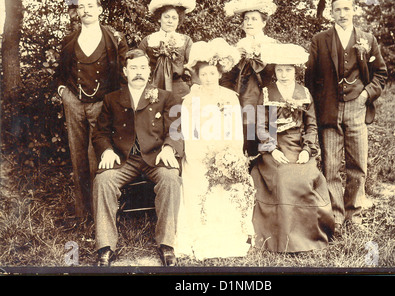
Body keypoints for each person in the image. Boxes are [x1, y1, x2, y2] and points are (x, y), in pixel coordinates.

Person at [305, 0, 387, 236]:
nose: (342, 13)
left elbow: (380, 75)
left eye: (346, 9)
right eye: (337, 9)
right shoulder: (320, 40)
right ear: (331, 12)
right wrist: (319, 105)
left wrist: (365, 96)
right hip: (329, 109)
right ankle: (336, 216)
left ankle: (354, 213)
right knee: (331, 166)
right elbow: (310, 78)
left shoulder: (367, 39)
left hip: (356, 107)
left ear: (354, 10)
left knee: (358, 164)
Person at [91, 49, 183, 267]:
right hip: (124, 159)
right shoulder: (112, 99)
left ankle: (166, 244)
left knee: (171, 178)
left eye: (142, 67)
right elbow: (100, 132)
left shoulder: (166, 97)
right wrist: (107, 151)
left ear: (149, 70)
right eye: (133, 68)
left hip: (156, 156)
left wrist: (169, 148)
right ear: (125, 71)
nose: (138, 72)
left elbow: (177, 130)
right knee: (103, 181)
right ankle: (105, 247)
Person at [175, 38, 255, 260]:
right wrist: (203, 155)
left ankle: (229, 234)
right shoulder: (190, 100)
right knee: (197, 177)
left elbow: (235, 131)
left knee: (234, 179)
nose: (208, 78)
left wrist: (229, 156)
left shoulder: (229, 97)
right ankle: (199, 234)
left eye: (212, 73)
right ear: (198, 76)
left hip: (224, 151)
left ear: (220, 74)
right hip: (198, 153)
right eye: (204, 74)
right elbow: (188, 133)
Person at [251, 43, 334, 253]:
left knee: (305, 177)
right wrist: (271, 149)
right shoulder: (267, 92)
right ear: (274, 71)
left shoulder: (304, 93)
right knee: (282, 178)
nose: (284, 74)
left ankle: (309, 236)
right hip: (275, 146)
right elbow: (261, 126)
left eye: (288, 69)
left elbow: (311, 125)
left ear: (295, 70)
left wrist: (307, 148)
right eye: (279, 69)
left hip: (298, 145)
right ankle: (280, 239)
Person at [53, 0, 128, 221]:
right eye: (81, 6)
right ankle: (82, 213)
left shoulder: (114, 38)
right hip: (74, 103)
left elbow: (125, 72)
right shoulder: (69, 40)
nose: (85, 10)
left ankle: (103, 215)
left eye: (90, 6)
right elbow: (59, 74)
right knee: (78, 156)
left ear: (99, 10)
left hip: (103, 104)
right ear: (77, 12)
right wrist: (64, 93)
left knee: (100, 154)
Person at [221, 0, 278, 159]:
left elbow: (276, 77)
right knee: (242, 141)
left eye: (254, 19)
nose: (249, 23)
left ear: (264, 22)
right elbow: (226, 79)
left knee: (263, 142)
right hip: (240, 100)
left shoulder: (272, 45)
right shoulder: (236, 47)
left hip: (265, 101)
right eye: (246, 19)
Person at [138, 0, 196, 98]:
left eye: (174, 18)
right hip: (153, 88)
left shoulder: (185, 40)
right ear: (159, 18)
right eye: (166, 17)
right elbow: (138, 62)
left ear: (179, 21)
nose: (170, 21)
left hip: (179, 89)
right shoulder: (148, 40)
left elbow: (192, 65)